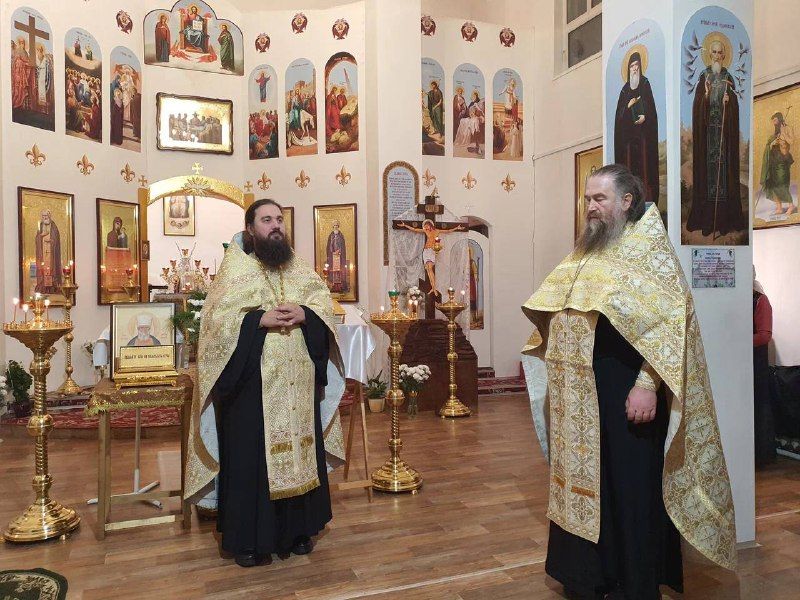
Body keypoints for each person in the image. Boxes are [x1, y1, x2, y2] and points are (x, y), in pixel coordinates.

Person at [521, 164, 737, 599]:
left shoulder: (648, 253)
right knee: (592, 483)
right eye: (587, 199)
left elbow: (668, 325)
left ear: (626, 201)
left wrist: (647, 383)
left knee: (629, 486)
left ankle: (633, 582)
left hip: (626, 388)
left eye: (599, 198)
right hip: (581, 395)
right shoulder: (587, 251)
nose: (590, 207)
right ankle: (589, 575)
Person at [184, 198, 345, 568]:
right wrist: (257, 321)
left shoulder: (299, 267)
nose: (275, 226)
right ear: (250, 228)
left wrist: (306, 314)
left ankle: (298, 531)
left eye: (279, 220)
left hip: (297, 385)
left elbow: (323, 308)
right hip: (251, 387)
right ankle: (249, 541)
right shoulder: (235, 270)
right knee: (250, 460)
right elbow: (215, 326)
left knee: (301, 453)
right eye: (267, 220)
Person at [686, 39, 745, 238]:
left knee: (724, 179)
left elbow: (734, 107)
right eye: (714, 52)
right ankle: (708, 222)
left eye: (720, 53)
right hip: (707, 137)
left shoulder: (728, 77)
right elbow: (697, 107)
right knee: (707, 179)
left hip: (724, 139)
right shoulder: (704, 77)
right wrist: (705, 97)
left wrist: (730, 102)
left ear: (724, 55)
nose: (717, 56)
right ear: (709, 55)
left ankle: (724, 222)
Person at [613, 51, 660, 206]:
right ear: (628, 68)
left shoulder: (645, 84)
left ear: (640, 66)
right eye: (632, 66)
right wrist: (628, 106)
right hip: (628, 143)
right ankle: (630, 203)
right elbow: (619, 117)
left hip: (643, 140)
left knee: (645, 172)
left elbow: (651, 109)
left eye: (637, 65)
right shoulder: (625, 90)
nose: (634, 68)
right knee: (630, 174)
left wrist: (645, 116)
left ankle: (646, 202)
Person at [753, 269, 776, 466]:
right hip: (740, 363)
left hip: (755, 362)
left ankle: (762, 456)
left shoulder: (760, 300)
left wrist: (735, 341)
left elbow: (764, 335)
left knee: (758, 406)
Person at [760, 112, 796, 216]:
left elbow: (792, 141)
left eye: (775, 120)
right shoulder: (775, 132)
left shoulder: (787, 128)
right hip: (773, 161)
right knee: (773, 184)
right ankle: (779, 207)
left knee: (782, 183)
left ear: (780, 119)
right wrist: (772, 143)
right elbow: (770, 145)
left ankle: (791, 205)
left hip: (782, 161)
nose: (774, 123)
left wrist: (784, 136)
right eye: (773, 121)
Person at [34, 209, 62, 294]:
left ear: (49, 216)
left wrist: (52, 240)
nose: (44, 217)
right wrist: (41, 235)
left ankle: (52, 287)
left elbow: (56, 238)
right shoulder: (40, 225)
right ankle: (43, 286)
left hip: (51, 252)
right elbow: (37, 238)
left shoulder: (53, 226)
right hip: (43, 252)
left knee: (51, 267)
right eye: (43, 216)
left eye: (46, 215)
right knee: (43, 268)